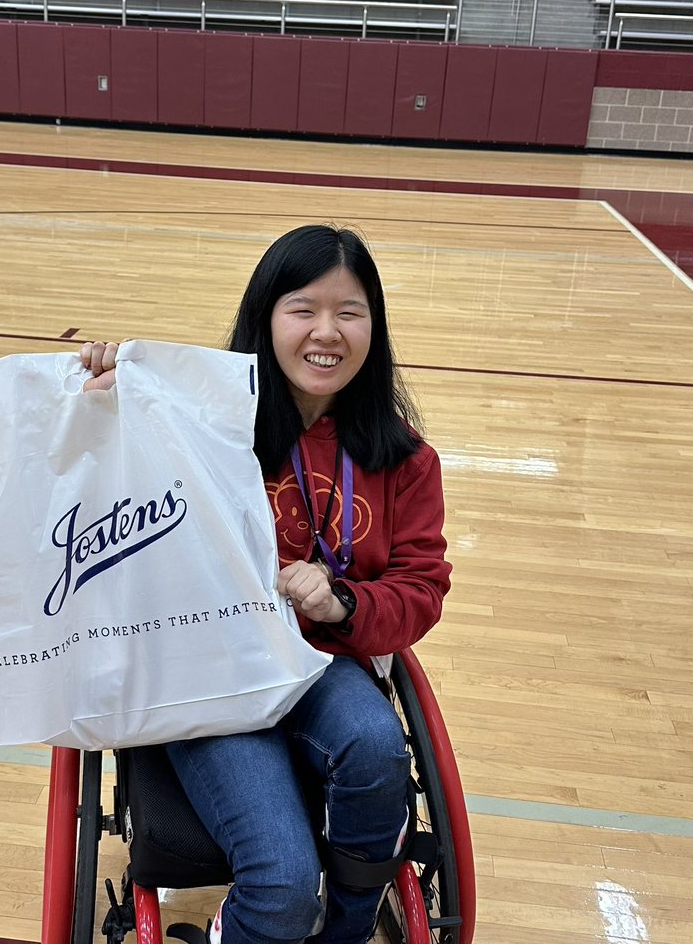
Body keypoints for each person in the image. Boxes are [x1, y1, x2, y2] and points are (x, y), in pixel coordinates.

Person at [79, 224, 450, 944]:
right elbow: (102, 491)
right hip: (210, 673)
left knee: (378, 747)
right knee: (281, 887)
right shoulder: (196, 422)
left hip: (321, 662)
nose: (327, 331)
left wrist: (344, 600)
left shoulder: (405, 460)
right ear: (265, 317)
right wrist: (107, 400)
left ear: (374, 326)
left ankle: (343, 931)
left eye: (349, 312)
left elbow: (421, 590)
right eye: (303, 309)